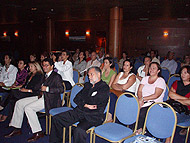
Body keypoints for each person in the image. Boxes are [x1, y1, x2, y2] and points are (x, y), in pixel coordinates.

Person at [4, 58, 64, 142]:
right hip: (40, 96)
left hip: (50, 99)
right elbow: (38, 88)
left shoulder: (56, 76)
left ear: (52, 66)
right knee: (19, 103)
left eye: (47, 65)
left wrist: (47, 89)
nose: (44, 67)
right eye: (43, 65)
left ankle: (38, 131)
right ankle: (17, 128)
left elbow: (61, 89)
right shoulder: (44, 75)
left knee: (28, 108)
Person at [49, 66, 109, 143]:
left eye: (91, 74)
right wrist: (86, 105)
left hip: (93, 115)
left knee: (79, 130)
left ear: (99, 75)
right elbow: (76, 98)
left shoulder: (104, 87)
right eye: (88, 75)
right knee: (57, 119)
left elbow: (95, 101)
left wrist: (84, 99)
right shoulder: (88, 85)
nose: (89, 77)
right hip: (80, 110)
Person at [136, 62, 166, 134]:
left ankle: (140, 129)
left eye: (154, 68)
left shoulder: (160, 81)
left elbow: (156, 95)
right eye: (150, 68)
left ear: (158, 71)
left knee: (142, 112)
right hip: (142, 100)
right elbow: (139, 91)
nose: (151, 70)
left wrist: (143, 99)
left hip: (155, 103)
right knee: (130, 106)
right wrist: (140, 99)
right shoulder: (145, 78)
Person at [165, 66, 190, 143]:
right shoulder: (176, 83)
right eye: (182, 72)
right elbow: (171, 94)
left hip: (185, 112)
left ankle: (168, 139)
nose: (183, 74)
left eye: (185, 73)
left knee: (169, 117)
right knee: (160, 112)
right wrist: (184, 99)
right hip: (174, 107)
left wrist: (176, 99)